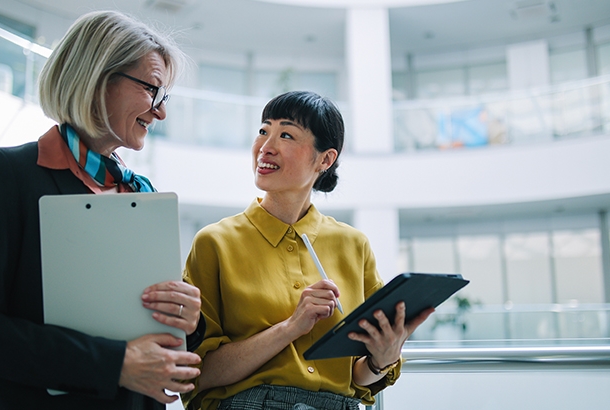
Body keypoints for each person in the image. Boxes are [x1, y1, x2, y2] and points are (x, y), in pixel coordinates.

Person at [0, 11, 205, 410]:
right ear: (97, 77)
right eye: (151, 90)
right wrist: (117, 364)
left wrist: (190, 321)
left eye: (163, 96)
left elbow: (153, 330)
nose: (160, 112)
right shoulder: (6, 175)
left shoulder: (141, 193)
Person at [181, 91, 435, 410]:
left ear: (325, 159)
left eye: (286, 134)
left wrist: (381, 361)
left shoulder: (354, 245)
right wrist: (290, 327)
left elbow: (358, 376)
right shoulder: (215, 242)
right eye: (263, 130)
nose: (266, 146)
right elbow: (198, 373)